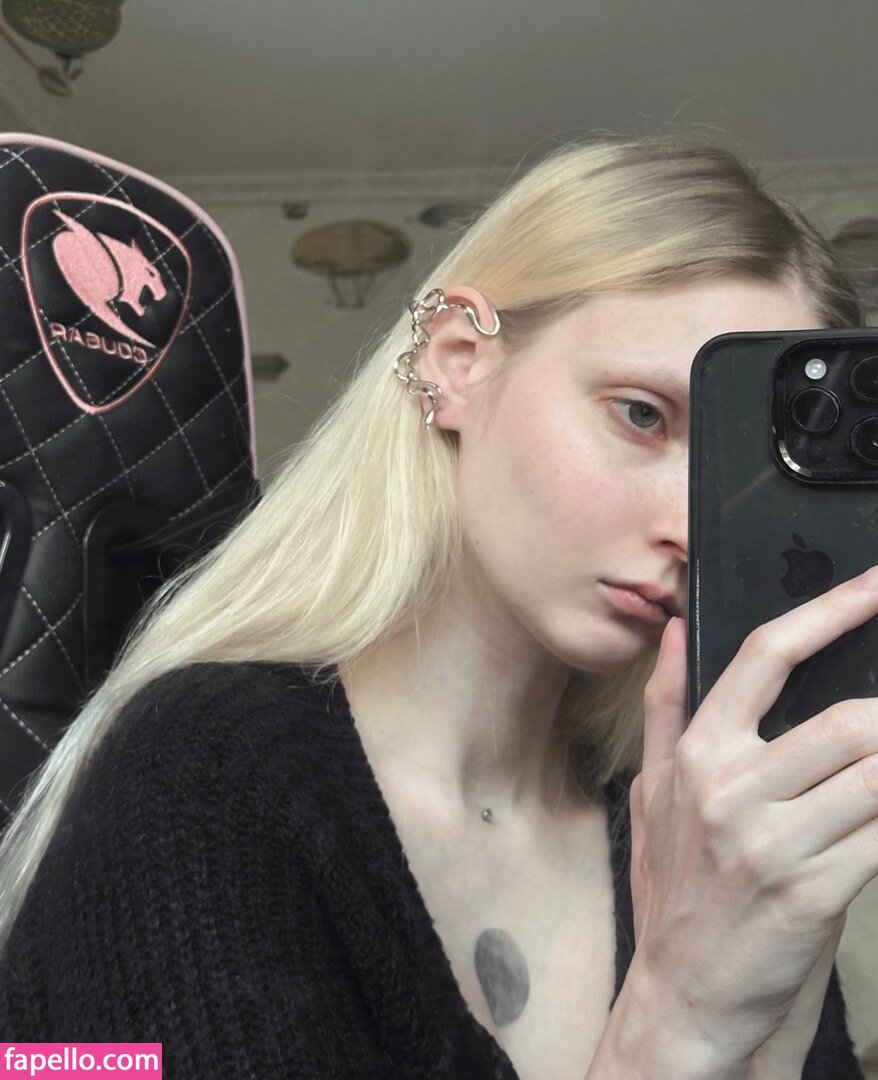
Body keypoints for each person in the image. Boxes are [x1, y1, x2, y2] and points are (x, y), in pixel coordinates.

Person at [0, 132, 870, 1080]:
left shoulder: (687, 825)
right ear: (457, 361)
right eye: (641, 415)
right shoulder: (200, 773)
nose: (688, 528)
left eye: (733, 480)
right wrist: (682, 1018)